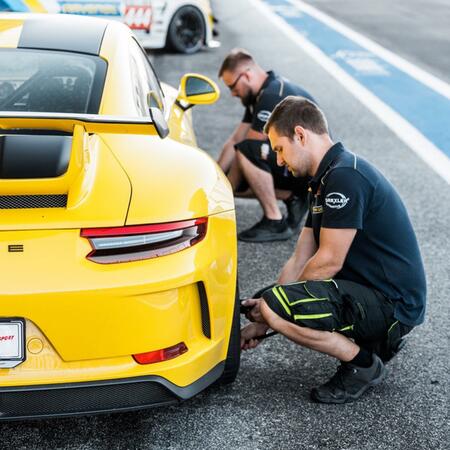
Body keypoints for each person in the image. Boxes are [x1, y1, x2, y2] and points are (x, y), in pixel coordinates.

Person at [240, 96, 427, 404]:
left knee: (276, 304)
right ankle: (376, 342)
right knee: (268, 298)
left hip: (394, 305)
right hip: (373, 290)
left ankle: (363, 365)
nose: (278, 161)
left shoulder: (345, 177)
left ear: (300, 135)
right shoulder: (325, 179)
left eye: (279, 149)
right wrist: (264, 312)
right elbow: (301, 256)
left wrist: (271, 315)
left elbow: (327, 263)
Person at [218, 48, 317, 242]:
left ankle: (275, 220)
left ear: (246, 75)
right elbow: (235, 139)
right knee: (233, 169)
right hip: (294, 162)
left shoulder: (271, 96)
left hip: (309, 170)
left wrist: (223, 194)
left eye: (232, 86)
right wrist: (215, 179)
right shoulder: (259, 95)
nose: (232, 93)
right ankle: (293, 197)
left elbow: (248, 147)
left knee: (247, 154)